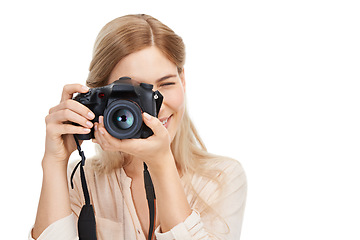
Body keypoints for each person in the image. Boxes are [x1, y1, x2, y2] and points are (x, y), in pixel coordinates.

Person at [29, 14, 247, 240]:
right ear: (101, 96)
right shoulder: (81, 179)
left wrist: (161, 163)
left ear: (183, 80)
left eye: (167, 83)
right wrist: (54, 162)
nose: (155, 106)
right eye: (133, 92)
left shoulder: (221, 178)